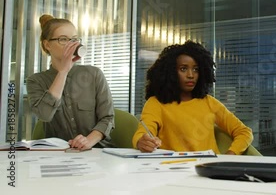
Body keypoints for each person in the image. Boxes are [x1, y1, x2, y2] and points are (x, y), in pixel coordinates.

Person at [133, 40, 253, 154]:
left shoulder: (209, 103)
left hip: (208, 169)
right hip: (173, 169)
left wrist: (230, 155)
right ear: (170, 72)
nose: (191, 75)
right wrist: (141, 141)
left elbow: (244, 132)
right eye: (183, 69)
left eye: (196, 69)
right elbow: (143, 132)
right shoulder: (156, 103)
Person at [26, 14, 114, 149]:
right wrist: (63, 72)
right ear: (47, 44)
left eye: (74, 39)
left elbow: (107, 118)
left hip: (97, 151)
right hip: (58, 154)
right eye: (63, 39)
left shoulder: (94, 74)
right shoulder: (36, 81)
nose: (71, 44)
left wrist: (88, 141)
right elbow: (44, 114)